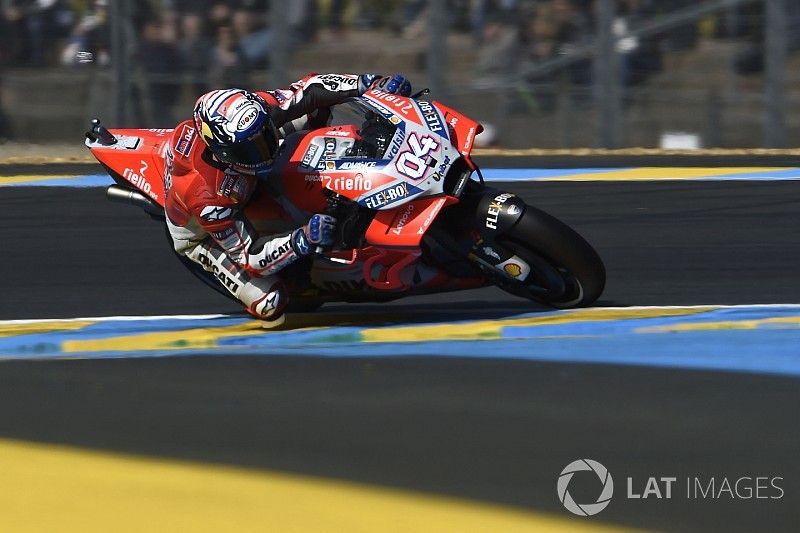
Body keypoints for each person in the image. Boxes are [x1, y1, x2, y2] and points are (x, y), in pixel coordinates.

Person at [164, 73, 412, 327]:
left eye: (264, 136)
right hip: (203, 236)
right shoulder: (208, 198)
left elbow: (309, 89)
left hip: (246, 182)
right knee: (269, 303)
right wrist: (302, 238)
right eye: (251, 149)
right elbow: (250, 257)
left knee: (316, 109)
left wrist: (370, 85)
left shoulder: (256, 112)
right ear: (223, 152)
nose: (266, 151)